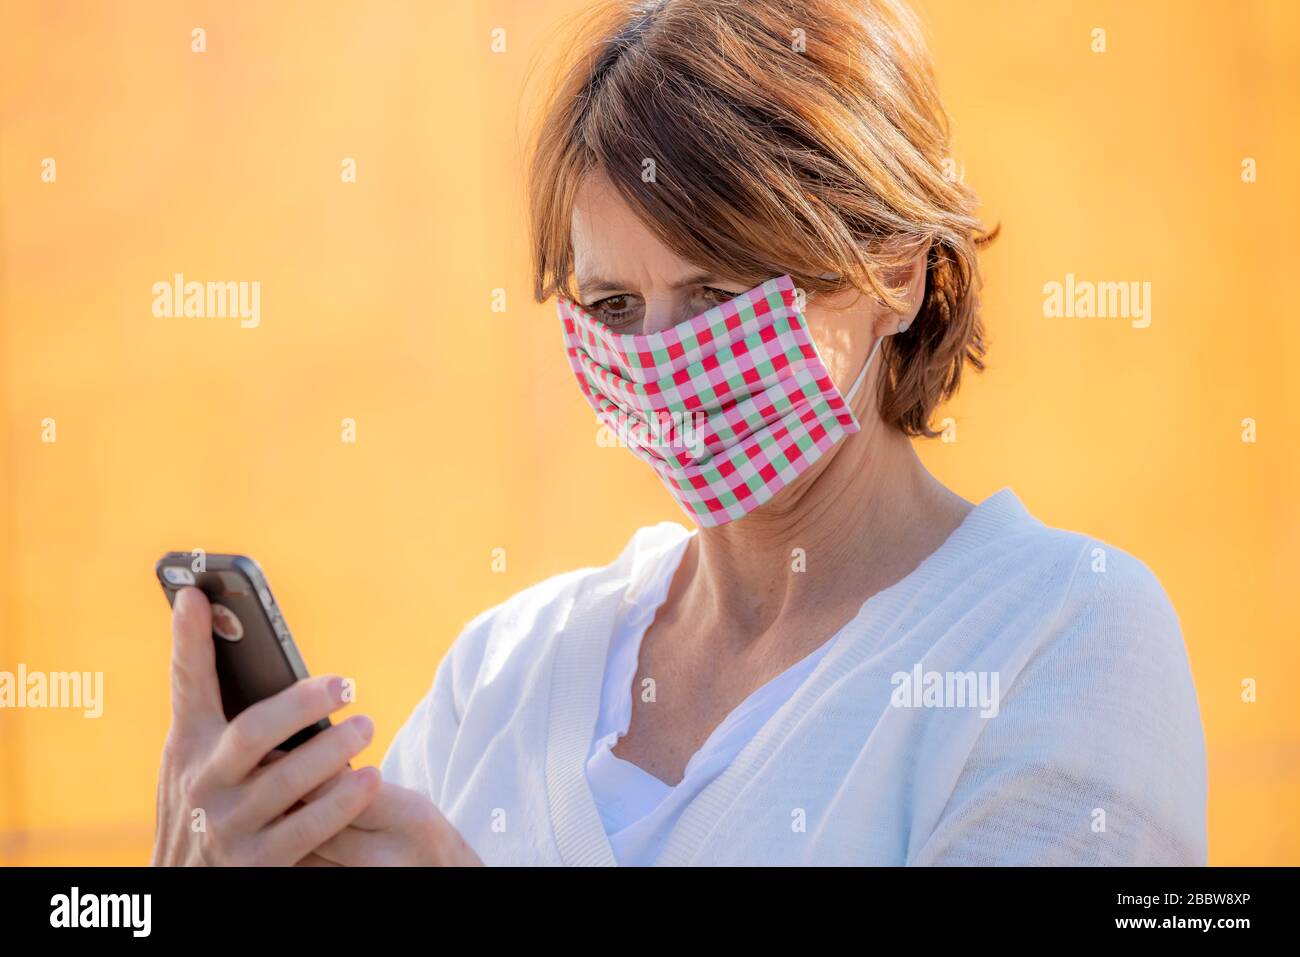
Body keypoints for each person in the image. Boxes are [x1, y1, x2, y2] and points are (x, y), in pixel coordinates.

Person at [151, 0, 1206, 867]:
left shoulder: (1058, 633)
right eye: (613, 308)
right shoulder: (506, 672)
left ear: (893, 271)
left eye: (718, 293)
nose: (665, 362)